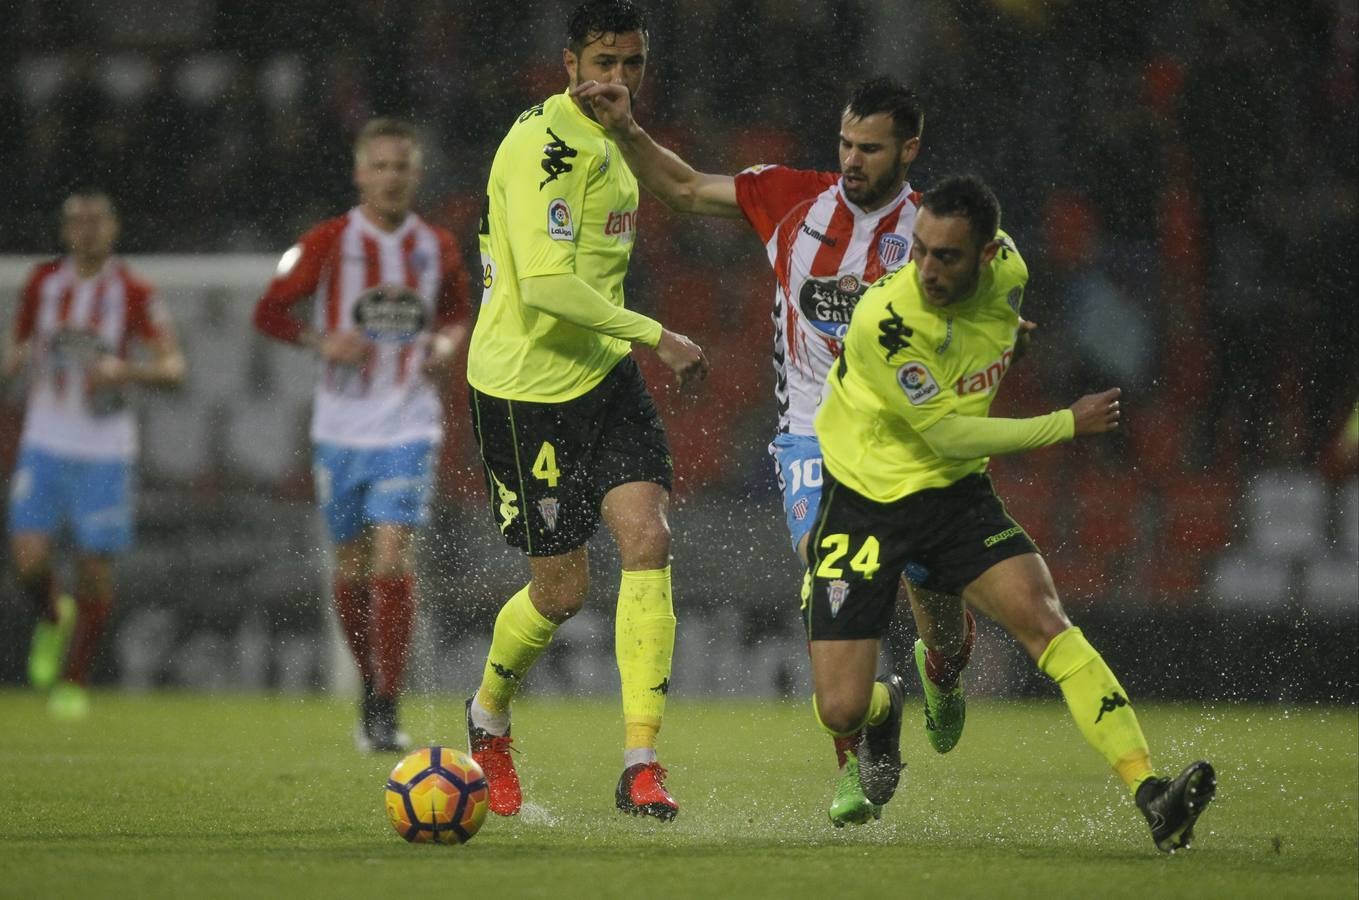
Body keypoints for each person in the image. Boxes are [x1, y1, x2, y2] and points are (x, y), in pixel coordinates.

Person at [575, 73, 979, 822]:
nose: (852, 159)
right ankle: (856, 753)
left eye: (870, 148)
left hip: (910, 446)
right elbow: (688, 188)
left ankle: (940, 675)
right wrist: (627, 130)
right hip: (810, 439)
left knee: (938, 615)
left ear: (909, 150)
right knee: (821, 570)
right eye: (844, 144)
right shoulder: (792, 198)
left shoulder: (931, 235)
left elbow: (984, 309)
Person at [804, 174, 1216, 850]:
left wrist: (1007, 341)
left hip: (954, 497)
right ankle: (885, 714)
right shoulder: (887, 318)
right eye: (919, 251)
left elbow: (985, 342)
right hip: (865, 503)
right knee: (838, 706)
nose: (927, 269)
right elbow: (942, 432)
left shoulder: (1011, 272)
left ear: (987, 252)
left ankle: (1151, 794)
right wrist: (1062, 423)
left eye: (945, 256)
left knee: (1046, 622)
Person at [464, 0, 708, 822]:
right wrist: (658, 335)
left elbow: (678, 188)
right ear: (569, 64)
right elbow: (545, 284)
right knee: (561, 592)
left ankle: (640, 763)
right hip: (523, 393)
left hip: (600, 379)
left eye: (631, 63)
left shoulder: (616, 137)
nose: (617, 79)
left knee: (648, 539)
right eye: (602, 62)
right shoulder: (542, 145)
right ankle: (488, 717)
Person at [253, 118, 470, 752]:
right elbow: (267, 311)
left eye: (402, 166)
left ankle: (384, 703)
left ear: (416, 174)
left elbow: (457, 313)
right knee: (349, 566)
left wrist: (445, 343)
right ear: (360, 173)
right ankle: (369, 685)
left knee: (391, 555)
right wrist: (322, 340)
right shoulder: (324, 243)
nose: (392, 176)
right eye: (380, 166)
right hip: (340, 428)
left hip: (408, 422)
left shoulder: (437, 247)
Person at [4, 190, 186, 719]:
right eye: (75, 221)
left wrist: (126, 371)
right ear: (64, 229)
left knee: (93, 571)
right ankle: (51, 616)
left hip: (105, 450)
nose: (85, 230)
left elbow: (174, 368)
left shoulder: (132, 291)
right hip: (44, 443)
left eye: (95, 220)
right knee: (29, 561)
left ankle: (74, 679)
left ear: (113, 227)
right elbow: (16, 348)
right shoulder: (42, 284)